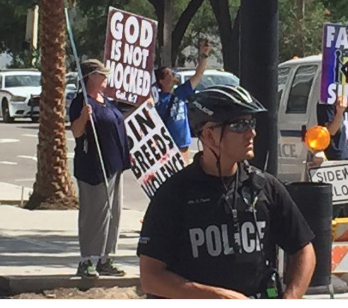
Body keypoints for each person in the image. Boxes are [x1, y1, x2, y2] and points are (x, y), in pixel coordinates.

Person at [138, 85, 317, 299]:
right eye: (239, 125)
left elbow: (304, 250)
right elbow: (150, 278)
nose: (252, 133)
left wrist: (291, 297)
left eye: (251, 123)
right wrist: (217, 298)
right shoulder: (175, 194)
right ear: (209, 135)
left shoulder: (265, 186)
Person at [69, 59, 131, 278]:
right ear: (91, 77)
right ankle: (87, 260)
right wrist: (84, 117)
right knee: (94, 214)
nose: (106, 78)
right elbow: (76, 132)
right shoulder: (81, 102)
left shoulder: (106, 101)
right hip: (93, 167)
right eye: (102, 75)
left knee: (114, 213)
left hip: (114, 165)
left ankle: (106, 258)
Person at [151, 40, 211, 163]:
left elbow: (198, 74)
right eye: (169, 74)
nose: (173, 75)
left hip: (183, 145)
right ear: (161, 81)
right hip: (167, 147)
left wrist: (204, 55)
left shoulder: (181, 92)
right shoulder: (157, 100)